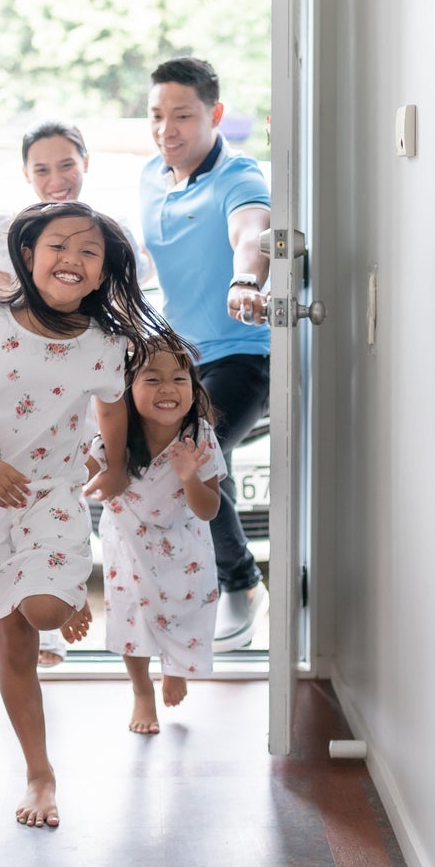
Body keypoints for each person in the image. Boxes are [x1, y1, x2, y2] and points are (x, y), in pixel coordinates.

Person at [0, 202, 185, 827]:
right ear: (28, 254)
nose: (72, 258)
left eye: (89, 253)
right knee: (14, 646)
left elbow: (114, 411)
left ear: (102, 274)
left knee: (45, 610)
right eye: (58, 244)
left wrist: (114, 465)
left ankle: (60, 591)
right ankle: (40, 774)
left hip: (51, 497)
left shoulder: (107, 344)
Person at [0, 119, 148, 666]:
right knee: (9, 511)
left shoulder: (105, 234)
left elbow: (132, 306)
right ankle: (43, 619)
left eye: (66, 164)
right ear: (26, 174)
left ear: (85, 163)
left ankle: (66, 594)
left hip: (78, 384)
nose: (56, 177)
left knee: (69, 493)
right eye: (42, 168)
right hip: (12, 390)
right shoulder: (10, 230)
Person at [138, 57, 271, 653]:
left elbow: (254, 231)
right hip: (180, 359)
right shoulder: (150, 177)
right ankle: (195, 591)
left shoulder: (237, 177)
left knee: (194, 450)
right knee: (195, 455)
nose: (168, 129)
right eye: (157, 115)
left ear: (215, 115)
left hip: (244, 354)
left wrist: (247, 281)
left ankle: (242, 585)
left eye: (183, 116)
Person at [87, 344, 225, 733]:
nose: (168, 388)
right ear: (127, 389)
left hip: (185, 545)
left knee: (186, 611)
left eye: (179, 379)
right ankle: (142, 692)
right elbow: (84, 473)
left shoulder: (200, 437)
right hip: (127, 544)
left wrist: (189, 478)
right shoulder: (115, 436)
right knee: (133, 618)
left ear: (193, 388)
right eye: (153, 379)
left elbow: (209, 509)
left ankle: (177, 666)